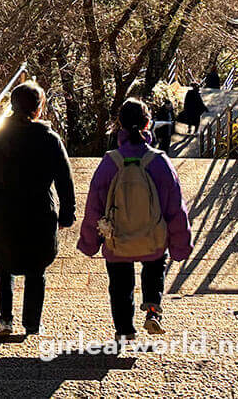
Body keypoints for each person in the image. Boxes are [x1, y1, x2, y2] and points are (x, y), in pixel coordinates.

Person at [78, 98, 191, 345]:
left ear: (119, 124)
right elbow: (175, 208)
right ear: (148, 123)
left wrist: (89, 242)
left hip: (118, 238)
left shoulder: (110, 162)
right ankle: (152, 308)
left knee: (119, 283)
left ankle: (124, 329)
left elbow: (94, 206)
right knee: (154, 266)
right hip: (153, 238)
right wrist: (181, 245)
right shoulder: (160, 161)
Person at [0, 80, 76, 338]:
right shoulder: (50, 139)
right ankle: (32, 323)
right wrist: (67, 214)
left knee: (3, 265)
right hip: (39, 211)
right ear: (38, 108)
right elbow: (65, 179)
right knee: (36, 268)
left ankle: (4, 320)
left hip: (3, 212)